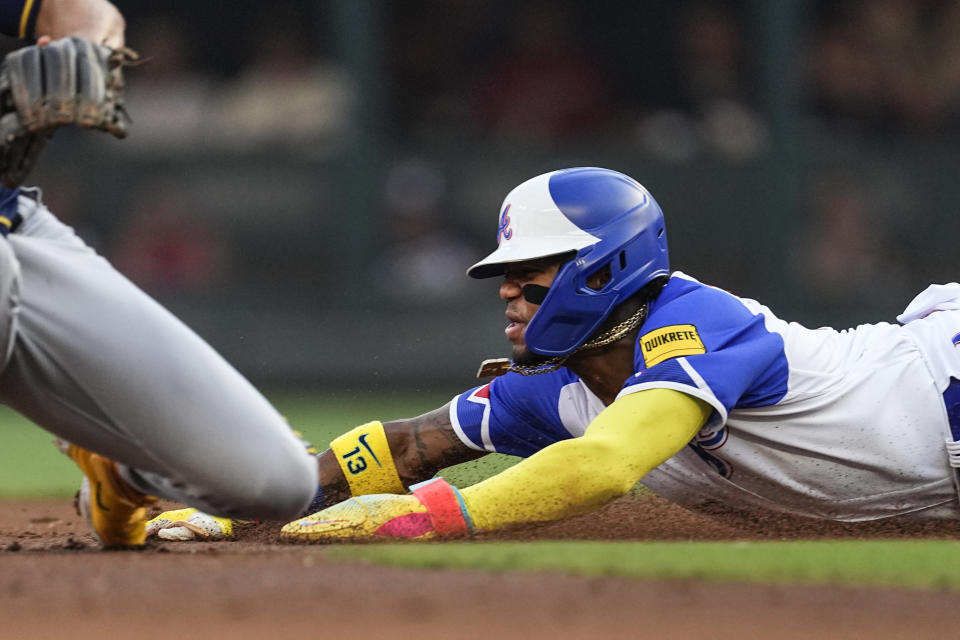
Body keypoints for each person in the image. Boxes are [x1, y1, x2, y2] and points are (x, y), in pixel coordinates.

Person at [151, 166, 960, 542]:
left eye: (529, 271)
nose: (508, 291)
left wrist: (431, 518)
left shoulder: (698, 322)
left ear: (603, 268)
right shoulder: (557, 389)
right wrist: (250, 502)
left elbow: (608, 464)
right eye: (503, 274)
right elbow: (409, 445)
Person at [0, 0, 319, 548]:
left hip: (14, 238)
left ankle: (116, 474)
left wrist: (83, 50)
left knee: (277, 482)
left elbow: (78, 10)